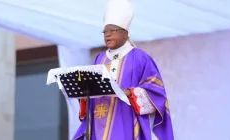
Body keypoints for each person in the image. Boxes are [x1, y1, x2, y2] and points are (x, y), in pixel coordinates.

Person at [73, 0, 174, 139]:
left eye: (112, 30)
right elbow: (91, 91)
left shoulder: (140, 58)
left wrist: (127, 92)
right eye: (105, 31)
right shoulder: (99, 59)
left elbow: (156, 94)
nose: (107, 34)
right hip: (98, 122)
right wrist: (83, 96)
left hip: (125, 123)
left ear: (125, 34)